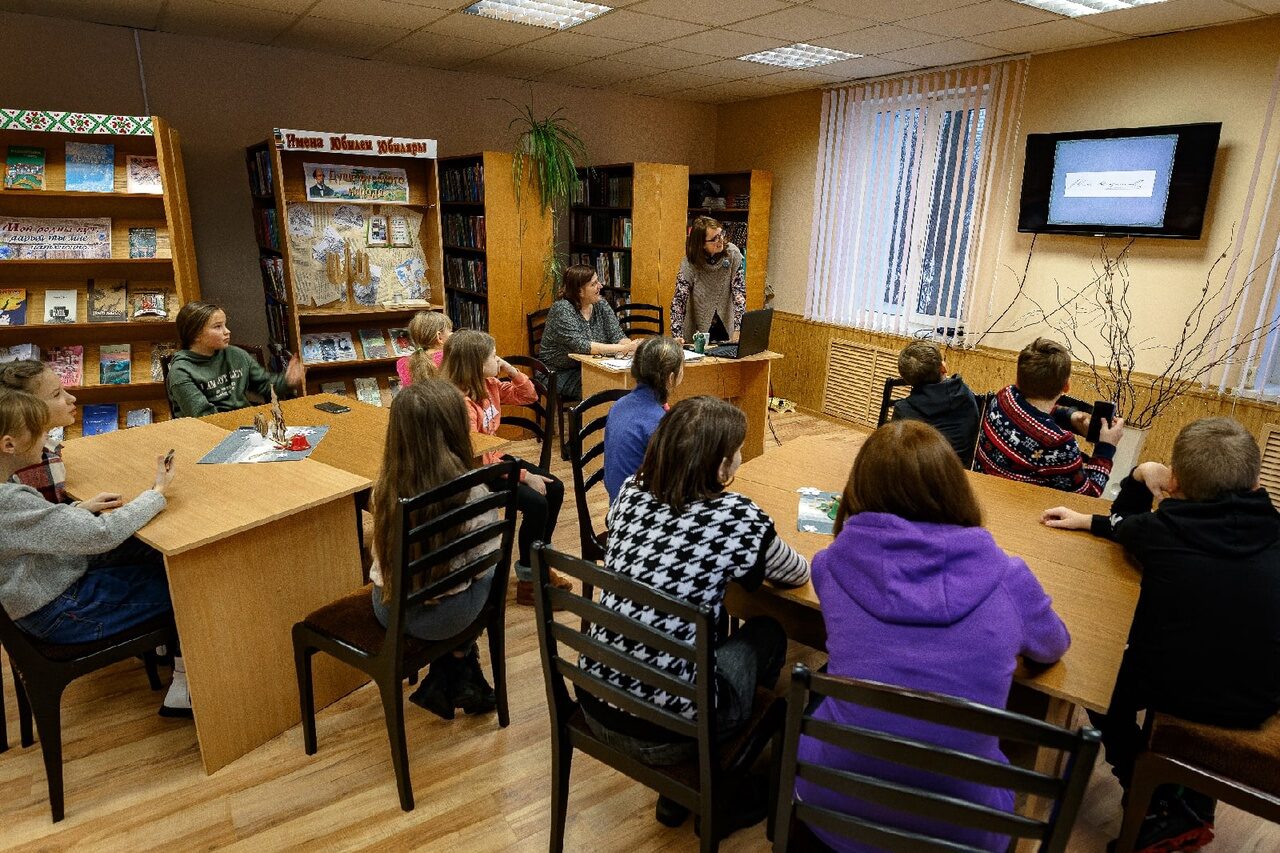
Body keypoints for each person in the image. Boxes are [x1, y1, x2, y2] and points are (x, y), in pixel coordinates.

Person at [798, 419, 1069, 852]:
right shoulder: (1008, 578)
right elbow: (1053, 646)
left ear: (857, 491)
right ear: (956, 490)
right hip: (964, 832)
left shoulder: (830, 566)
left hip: (832, 803)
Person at [1041, 417, 1280, 853]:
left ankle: (1149, 792)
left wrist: (1140, 473)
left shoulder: (1160, 532)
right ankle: (1186, 797)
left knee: (1096, 676)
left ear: (1174, 483)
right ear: (1255, 483)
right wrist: (1092, 520)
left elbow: (1123, 522)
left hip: (1178, 692)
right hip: (1262, 697)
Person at [579, 395, 810, 831]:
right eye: (738, 451)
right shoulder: (734, 517)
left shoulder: (628, 494)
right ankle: (717, 784)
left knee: (699, 636)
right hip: (668, 733)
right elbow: (795, 572)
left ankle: (676, 793)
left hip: (597, 701)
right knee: (768, 634)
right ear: (722, 468)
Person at [0, 387, 190, 716]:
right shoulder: (9, 501)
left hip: (40, 599)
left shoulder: (9, 492)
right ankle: (183, 690)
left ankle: (167, 650)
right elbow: (103, 534)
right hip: (60, 612)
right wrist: (157, 492)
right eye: (41, 432)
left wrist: (79, 509)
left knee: (149, 556)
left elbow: (39, 528)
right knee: (187, 585)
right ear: (9, 444)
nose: (47, 438)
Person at [368, 378, 501, 719]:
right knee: (496, 567)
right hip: (447, 619)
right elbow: (483, 564)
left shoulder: (383, 488)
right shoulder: (473, 492)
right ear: (455, 428)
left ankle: (450, 679)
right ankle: (456, 665)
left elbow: (379, 557)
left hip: (389, 608)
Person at [443, 330, 569, 605]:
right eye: (493, 356)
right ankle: (529, 581)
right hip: (474, 473)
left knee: (555, 488)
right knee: (537, 503)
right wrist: (524, 476)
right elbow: (477, 460)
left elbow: (529, 396)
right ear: (475, 364)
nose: (498, 359)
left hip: (495, 460)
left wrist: (512, 371)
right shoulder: (461, 404)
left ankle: (538, 563)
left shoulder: (489, 385)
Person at [975, 337, 1124, 496]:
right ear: (1066, 387)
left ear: (1018, 378)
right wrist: (1106, 447)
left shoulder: (1004, 396)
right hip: (1017, 506)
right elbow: (1088, 495)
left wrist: (1070, 417)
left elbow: (1029, 412)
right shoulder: (1058, 443)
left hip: (981, 492)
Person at [0, 359, 120, 512]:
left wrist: (79, 508)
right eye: (56, 394)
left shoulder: (43, 447)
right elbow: (49, 519)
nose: (72, 398)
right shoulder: (33, 461)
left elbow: (50, 516)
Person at [166, 301, 305, 417]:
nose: (227, 331)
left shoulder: (235, 354)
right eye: (218, 327)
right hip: (208, 432)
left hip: (244, 424)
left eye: (225, 325)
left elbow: (264, 385)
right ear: (195, 335)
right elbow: (204, 416)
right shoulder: (180, 372)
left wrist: (287, 380)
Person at [537, 264, 638, 400]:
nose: (600, 286)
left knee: (631, 381)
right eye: (593, 284)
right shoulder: (562, 309)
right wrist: (623, 349)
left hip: (592, 367)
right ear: (579, 291)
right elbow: (582, 346)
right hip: (558, 372)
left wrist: (630, 347)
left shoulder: (601, 304)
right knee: (605, 387)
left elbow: (617, 335)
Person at [603, 336, 683, 501]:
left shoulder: (619, 405)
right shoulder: (659, 423)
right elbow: (674, 483)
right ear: (671, 378)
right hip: (638, 510)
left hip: (617, 503)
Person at [890, 340, 980, 466]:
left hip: (919, 475)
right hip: (960, 473)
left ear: (907, 380)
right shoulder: (966, 394)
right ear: (943, 368)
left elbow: (895, 455)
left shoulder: (903, 410)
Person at [670, 216, 745, 343]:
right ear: (702, 244)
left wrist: (739, 328)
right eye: (714, 238)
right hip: (698, 329)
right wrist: (677, 335)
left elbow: (739, 295)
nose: (720, 240)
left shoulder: (733, 254)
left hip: (725, 325)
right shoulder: (690, 263)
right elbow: (678, 302)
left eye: (721, 234)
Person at [396, 310, 452, 387]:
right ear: (439, 337)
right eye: (450, 331)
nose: (452, 334)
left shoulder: (402, 363)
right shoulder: (451, 358)